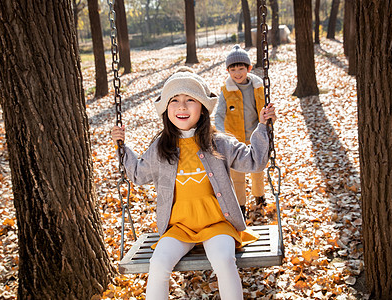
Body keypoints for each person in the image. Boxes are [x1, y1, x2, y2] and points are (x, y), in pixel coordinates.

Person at [111, 67, 276, 300]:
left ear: (203, 108)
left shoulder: (217, 142)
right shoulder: (161, 147)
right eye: (175, 100)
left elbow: (254, 162)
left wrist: (262, 127)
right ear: (166, 109)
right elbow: (138, 174)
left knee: (223, 260)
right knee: (158, 262)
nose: (182, 106)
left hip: (218, 223)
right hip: (179, 227)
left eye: (190, 100)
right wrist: (122, 147)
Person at [215, 44, 267, 219]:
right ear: (228, 71)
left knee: (257, 170)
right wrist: (221, 134)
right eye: (233, 70)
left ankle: (259, 196)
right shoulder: (226, 90)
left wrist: (268, 126)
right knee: (237, 175)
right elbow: (219, 115)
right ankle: (241, 205)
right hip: (235, 140)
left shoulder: (258, 87)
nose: (237, 73)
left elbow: (266, 109)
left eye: (241, 69)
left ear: (249, 68)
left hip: (255, 137)